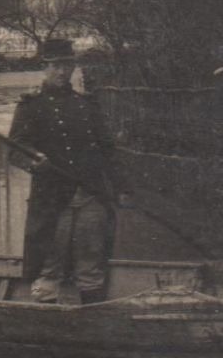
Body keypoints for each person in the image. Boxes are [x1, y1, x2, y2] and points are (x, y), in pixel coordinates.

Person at [8, 39, 132, 304]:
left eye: (67, 66)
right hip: (53, 198)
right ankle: (46, 323)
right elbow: (15, 150)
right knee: (49, 262)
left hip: (91, 194)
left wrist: (121, 189)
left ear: (74, 68)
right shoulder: (31, 106)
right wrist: (34, 162)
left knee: (92, 260)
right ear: (45, 68)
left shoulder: (87, 104)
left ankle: (94, 320)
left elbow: (107, 151)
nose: (62, 72)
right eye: (55, 66)